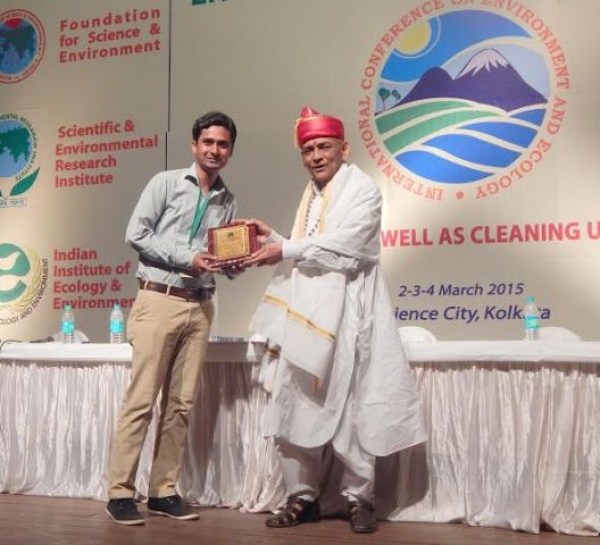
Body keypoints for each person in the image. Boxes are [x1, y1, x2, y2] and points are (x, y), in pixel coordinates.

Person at [243, 107, 426, 534]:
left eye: (324, 147)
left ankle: (359, 498)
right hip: (307, 315)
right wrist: (275, 240)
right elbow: (308, 246)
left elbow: (347, 247)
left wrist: (286, 248)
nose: (316, 156)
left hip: (350, 316)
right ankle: (301, 496)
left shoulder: (362, 189)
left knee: (351, 406)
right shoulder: (311, 195)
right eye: (308, 150)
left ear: (344, 149)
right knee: (295, 403)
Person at [105, 111, 241, 526]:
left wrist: (236, 263)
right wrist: (188, 258)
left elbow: (218, 255)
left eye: (222, 144)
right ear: (194, 145)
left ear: (230, 150)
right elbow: (136, 234)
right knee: (141, 401)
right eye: (208, 142)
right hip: (159, 299)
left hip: (200, 304)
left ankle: (162, 491)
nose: (215, 150)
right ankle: (119, 492)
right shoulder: (165, 183)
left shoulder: (227, 200)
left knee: (180, 405)